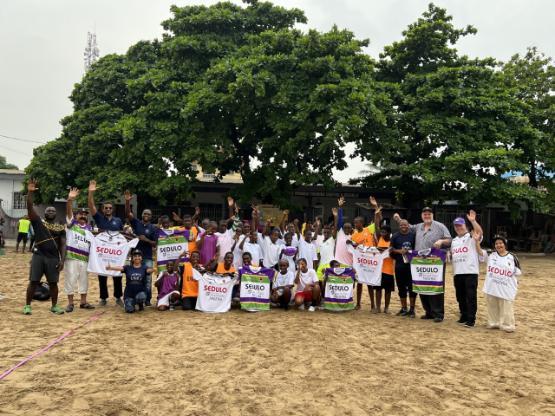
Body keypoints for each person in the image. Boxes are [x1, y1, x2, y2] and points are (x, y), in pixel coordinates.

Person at [393, 207, 451, 322]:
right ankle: (428, 312)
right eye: (425, 214)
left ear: (432, 215)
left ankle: (438, 313)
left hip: (435, 262)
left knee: (436, 286)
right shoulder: (418, 226)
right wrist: (398, 219)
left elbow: (449, 240)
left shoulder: (440, 226)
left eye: (429, 214)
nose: (427, 216)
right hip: (420, 262)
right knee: (422, 285)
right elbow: (407, 226)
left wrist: (441, 241)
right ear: (422, 216)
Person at [23, 179, 66, 315]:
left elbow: (63, 245)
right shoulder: (38, 222)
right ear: (45, 213)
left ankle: (54, 306)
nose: (51, 211)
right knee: (33, 281)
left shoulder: (60, 227)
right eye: (48, 210)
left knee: (53, 283)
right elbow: (30, 207)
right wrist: (30, 193)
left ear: (56, 214)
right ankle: (27, 306)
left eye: (53, 210)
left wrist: (62, 260)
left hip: (53, 258)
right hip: (38, 256)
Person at [87, 179, 124, 307]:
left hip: (115, 253)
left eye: (110, 208)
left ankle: (118, 297)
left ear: (112, 209)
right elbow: (91, 206)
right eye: (105, 208)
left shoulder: (118, 220)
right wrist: (91, 193)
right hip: (102, 253)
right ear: (102, 209)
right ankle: (103, 298)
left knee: (117, 275)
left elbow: (122, 235)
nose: (108, 209)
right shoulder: (99, 218)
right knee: (102, 275)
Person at [450, 210, 485, 328]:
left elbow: (479, 232)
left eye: (460, 225)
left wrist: (473, 221)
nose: (458, 227)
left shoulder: (471, 236)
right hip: (458, 272)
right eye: (456, 226)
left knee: (470, 296)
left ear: (465, 225)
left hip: (470, 272)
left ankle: (471, 319)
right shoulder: (454, 241)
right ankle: (463, 315)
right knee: (460, 296)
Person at [64, 187, 95, 312]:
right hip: (72, 257)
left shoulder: (90, 228)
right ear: (76, 215)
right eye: (80, 214)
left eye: (85, 214)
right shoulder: (72, 224)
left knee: (84, 280)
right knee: (70, 279)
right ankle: (70, 303)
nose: (83, 216)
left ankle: (83, 302)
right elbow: (69, 212)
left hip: (85, 258)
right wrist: (70, 200)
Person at [124, 190, 158, 306]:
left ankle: (147, 300)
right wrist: (127, 201)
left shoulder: (153, 228)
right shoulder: (137, 223)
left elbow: (155, 244)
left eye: (148, 214)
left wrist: (146, 240)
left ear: (151, 216)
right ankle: (133, 296)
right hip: (135, 257)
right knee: (133, 278)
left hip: (147, 256)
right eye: (144, 214)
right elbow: (128, 214)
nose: (146, 216)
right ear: (142, 215)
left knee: (147, 279)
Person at [483, 235, 522, 332]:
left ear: (505, 244)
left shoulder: (512, 257)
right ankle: (494, 322)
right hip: (492, 286)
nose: (498, 245)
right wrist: (476, 241)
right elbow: (480, 253)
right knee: (492, 304)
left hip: (506, 286)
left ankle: (507, 325)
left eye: (501, 243)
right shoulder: (492, 255)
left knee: (506, 306)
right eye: (496, 243)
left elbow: (518, 271)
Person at [349, 196, 381, 311]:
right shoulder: (354, 235)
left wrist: (375, 207)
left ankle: (373, 305)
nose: (355, 225)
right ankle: (358, 304)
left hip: (370, 261)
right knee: (359, 283)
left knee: (370, 284)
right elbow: (352, 248)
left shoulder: (369, 230)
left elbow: (377, 220)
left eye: (356, 223)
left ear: (362, 223)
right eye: (354, 223)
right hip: (360, 262)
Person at [107, 249, 152, 313]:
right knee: (129, 310)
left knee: (141, 296)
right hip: (129, 294)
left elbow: (149, 270)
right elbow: (120, 268)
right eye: (135, 256)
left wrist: (154, 269)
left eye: (139, 256)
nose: (137, 257)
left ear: (141, 258)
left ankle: (140, 304)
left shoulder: (144, 267)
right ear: (132, 258)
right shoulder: (128, 267)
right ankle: (131, 303)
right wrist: (110, 267)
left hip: (140, 292)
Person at [390, 219, 417, 317]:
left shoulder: (413, 235)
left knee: (412, 288)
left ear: (408, 225)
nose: (403, 226)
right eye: (401, 225)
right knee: (401, 287)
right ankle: (404, 308)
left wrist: (411, 252)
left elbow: (417, 248)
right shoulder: (395, 236)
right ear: (399, 226)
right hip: (399, 265)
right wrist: (399, 251)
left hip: (412, 266)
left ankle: (412, 310)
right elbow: (391, 249)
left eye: (405, 225)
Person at [375, 225, 395, 314]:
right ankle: (378, 307)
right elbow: (376, 226)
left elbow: (393, 253)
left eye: (384, 232)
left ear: (389, 233)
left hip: (389, 270)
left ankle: (386, 308)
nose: (382, 233)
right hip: (379, 270)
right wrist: (377, 214)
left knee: (388, 290)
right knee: (378, 290)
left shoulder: (392, 242)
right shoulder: (380, 238)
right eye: (381, 232)